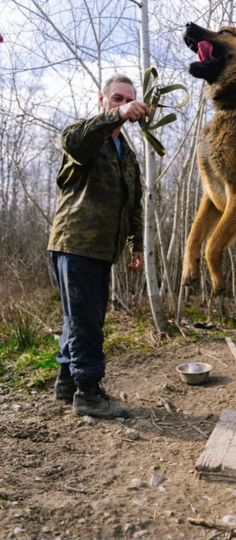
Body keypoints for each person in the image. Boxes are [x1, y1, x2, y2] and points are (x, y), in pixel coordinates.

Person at [48, 75, 150, 419]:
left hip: (102, 249)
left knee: (77, 317)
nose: (123, 104)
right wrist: (118, 116)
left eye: (129, 100)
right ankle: (89, 392)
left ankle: (66, 382)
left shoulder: (128, 155)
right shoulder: (86, 135)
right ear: (102, 100)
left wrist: (137, 245)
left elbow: (133, 202)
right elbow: (75, 142)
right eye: (117, 98)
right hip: (76, 242)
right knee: (87, 321)